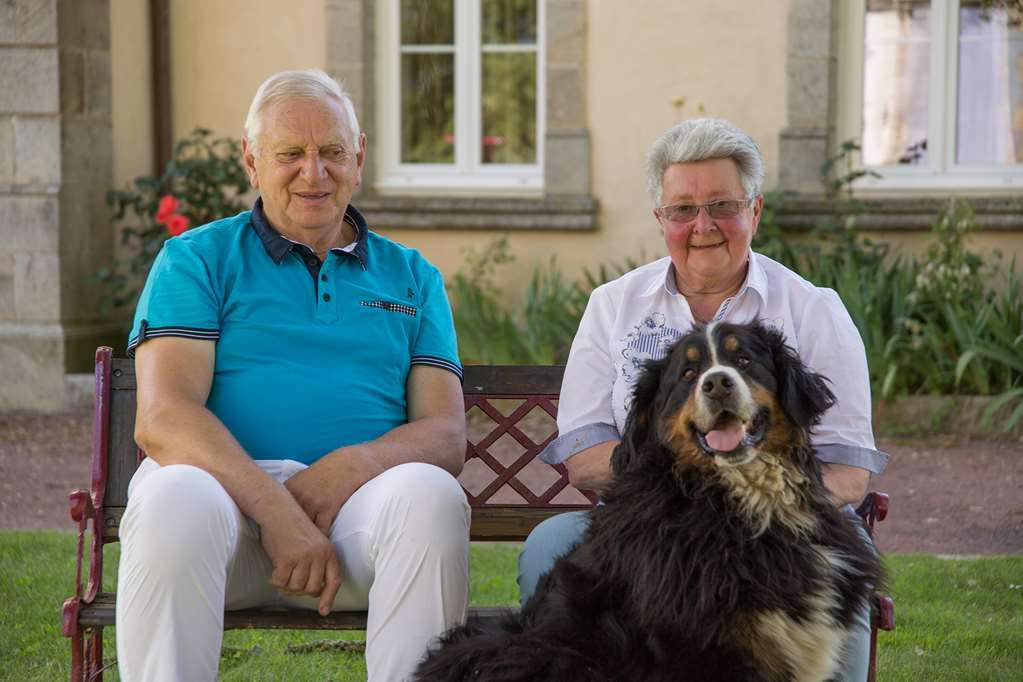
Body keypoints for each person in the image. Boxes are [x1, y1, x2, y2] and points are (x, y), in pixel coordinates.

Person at [116, 69, 470, 682]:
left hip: (355, 528)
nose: (314, 172)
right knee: (173, 494)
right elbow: (165, 419)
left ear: (358, 159)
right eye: (290, 154)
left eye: (332, 151)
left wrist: (351, 468)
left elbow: (444, 433)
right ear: (251, 162)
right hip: (223, 525)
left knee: (431, 495)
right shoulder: (197, 260)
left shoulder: (412, 276)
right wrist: (277, 513)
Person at [518, 118, 889, 681]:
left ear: (755, 211)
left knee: (837, 567)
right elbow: (585, 454)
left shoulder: (814, 310)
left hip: (794, 520)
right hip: (652, 525)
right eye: (683, 210)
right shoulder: (613, 305)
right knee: (552, 543)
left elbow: (848, 469)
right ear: (660, 219)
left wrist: (752, 507)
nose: (703, 225)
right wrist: (690, 504)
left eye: (722, 204)